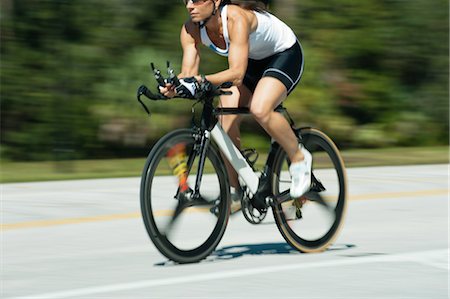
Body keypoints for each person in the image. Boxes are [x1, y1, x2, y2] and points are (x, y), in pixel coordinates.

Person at [160, 0, 312, 213]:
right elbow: (188, 75)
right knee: (223, 119)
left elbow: (237, 74)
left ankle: (299, 158)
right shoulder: (190, 29)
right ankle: (236, 191)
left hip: (284, 56)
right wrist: (175, 86)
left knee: (260, 108)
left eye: (197, 0)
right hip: (252, 62)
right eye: (186, 0)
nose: (189, 6)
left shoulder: (236, 17)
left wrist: (201, 81)